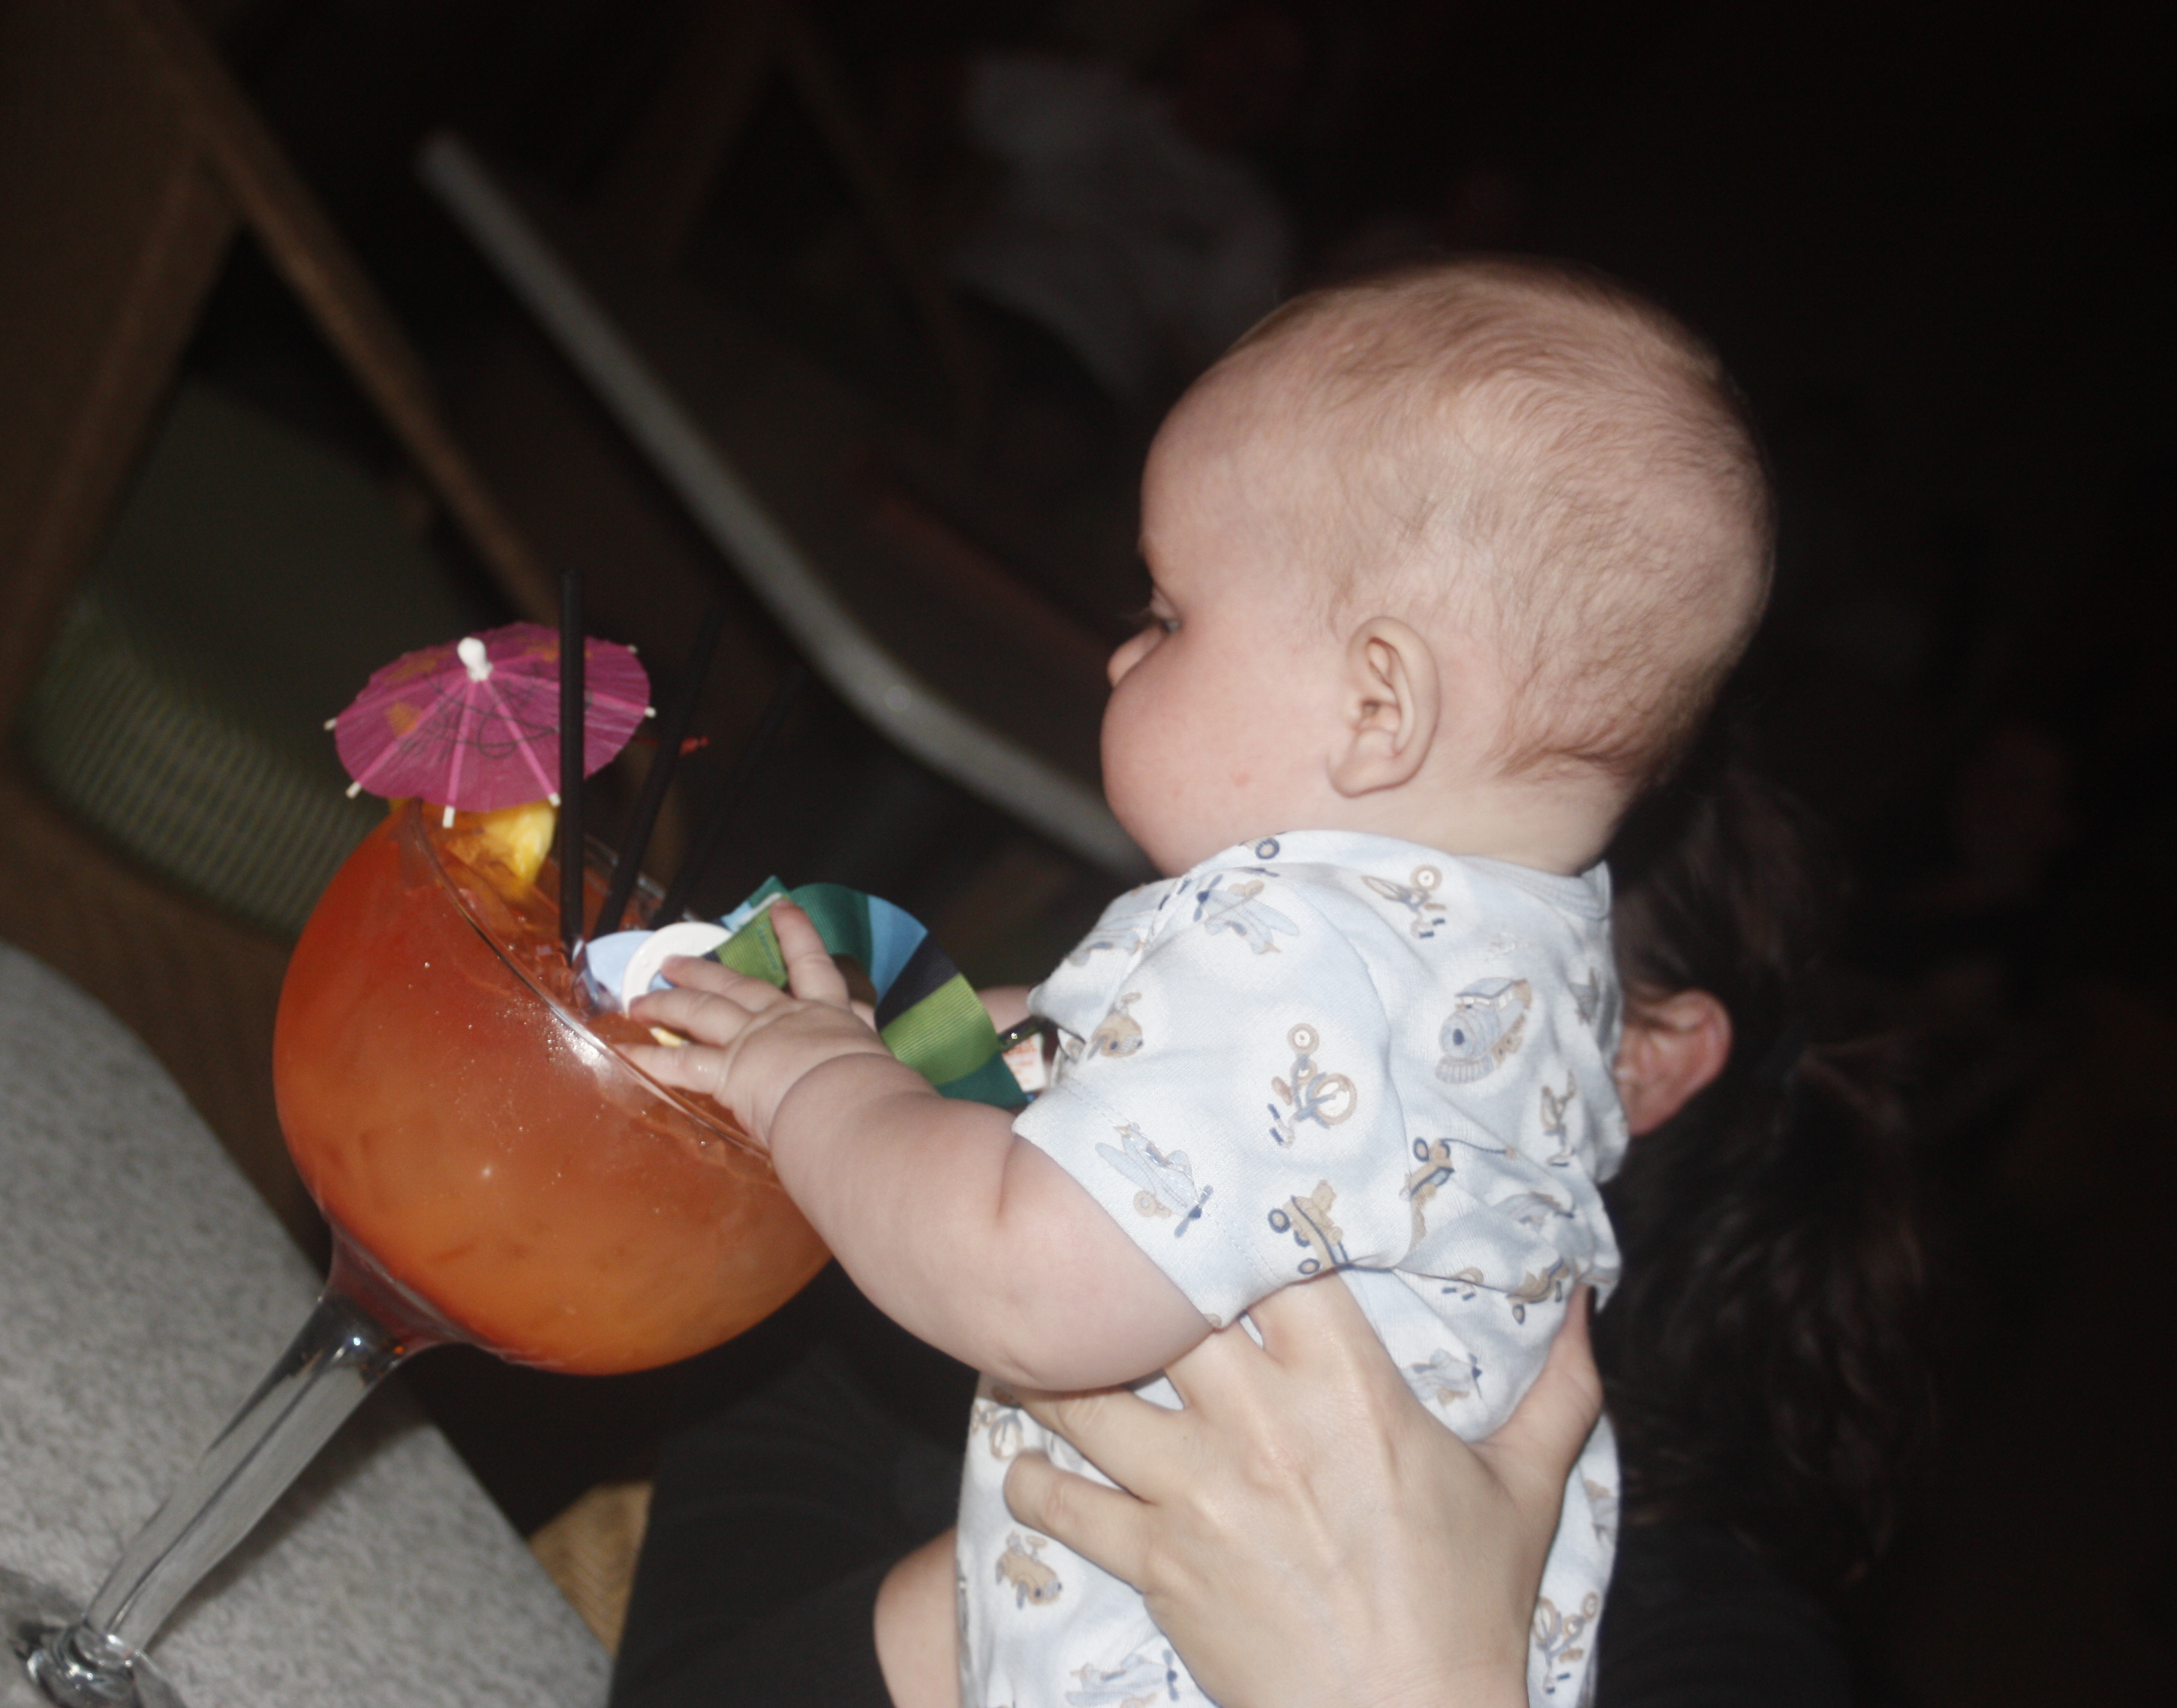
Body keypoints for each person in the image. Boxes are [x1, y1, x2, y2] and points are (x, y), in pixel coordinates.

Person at [629, 254, 1773, 1708]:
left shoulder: (1293, 954)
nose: (1123, 657)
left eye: (1171, 615)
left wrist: (817, 1080)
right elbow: (1209, 1118)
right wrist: (973, 1040)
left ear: (1377, 705)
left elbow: (1024, 1279)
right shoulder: (1533, 968)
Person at [609, 750, 1929, 1708]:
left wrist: (1419, 1682)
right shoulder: (929, 1240)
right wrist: (1087, 1559)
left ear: (1635, 1060)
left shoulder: (1701, 1632)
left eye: (1376, 927)